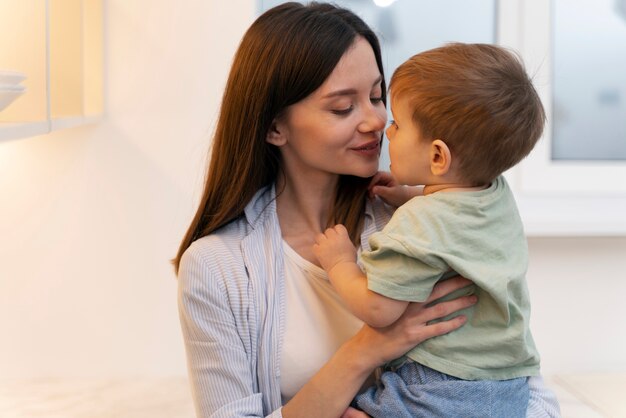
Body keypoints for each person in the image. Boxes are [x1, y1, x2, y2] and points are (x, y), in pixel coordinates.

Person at [174, 2, 561, 417]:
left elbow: (529, 394)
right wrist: (365, 351)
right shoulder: (218, 269)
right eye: (343, 107)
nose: (377, 121)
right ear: (274, 127)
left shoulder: (432, 220)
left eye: (378, 97)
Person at [313, 43, 546, 417]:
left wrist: (340, 262)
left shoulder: (418, 223)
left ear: (438, 157)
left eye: (398, 125)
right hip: (511, 385)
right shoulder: (495, 192)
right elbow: (456, 218)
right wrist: (408, 193)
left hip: (441, 390)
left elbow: (380, 308)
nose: (385, 130)